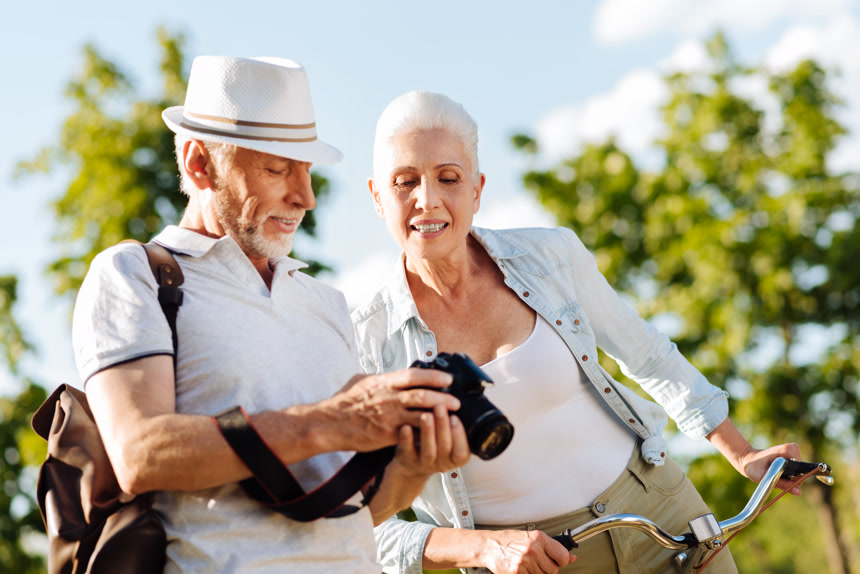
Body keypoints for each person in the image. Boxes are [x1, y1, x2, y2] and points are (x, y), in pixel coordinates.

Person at [351, 91, 804, 574]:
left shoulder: (551, 256)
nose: (428, 199)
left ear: (477, 189)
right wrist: (481, 549)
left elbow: (648, 354)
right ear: (378, 196)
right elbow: (356, 522)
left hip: (662, 516)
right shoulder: (362, 340)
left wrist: (745, 453)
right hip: (539, 564)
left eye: (449, 178)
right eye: (405, 182)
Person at [72, 57, 470, 574]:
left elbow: (355, 509)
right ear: (199, 164)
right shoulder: (135, 274)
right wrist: (333, 422)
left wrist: (410, 472)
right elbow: (140, 454)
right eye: (278, 167)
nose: (304, 196)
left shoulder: (324, 303)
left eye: (306, 170)